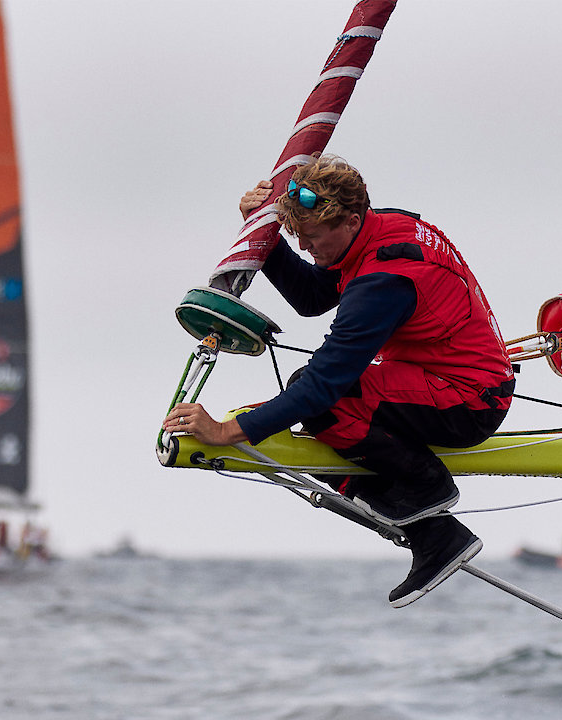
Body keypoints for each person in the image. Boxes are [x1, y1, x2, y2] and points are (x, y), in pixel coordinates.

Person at [162, 154, 513, 608]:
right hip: (447, 378)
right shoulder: (378, 230)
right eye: (297, 236)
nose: (305, 247)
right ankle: (434, 532)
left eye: (310, 237)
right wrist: (265, 234)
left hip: (468, 402)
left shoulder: (385, 280)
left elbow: (322, 387)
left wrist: (227, 431)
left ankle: (426, 494)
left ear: (350, 220)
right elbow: (312, 296)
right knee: (312, 394)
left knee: (321, 401)